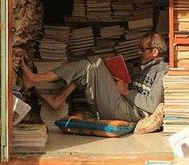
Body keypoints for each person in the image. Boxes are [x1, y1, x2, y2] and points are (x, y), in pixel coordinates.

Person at [21, 32, 168, 122]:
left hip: (128, 111)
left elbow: (152, 105)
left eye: (142, 49)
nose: (139, 52)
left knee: (94, 62)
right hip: (122, 103)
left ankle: (36, 79)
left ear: (154, 52)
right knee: (90, 68)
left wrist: (126, 92)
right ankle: (57, 98)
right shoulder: (144, 67)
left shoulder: (161, 71)